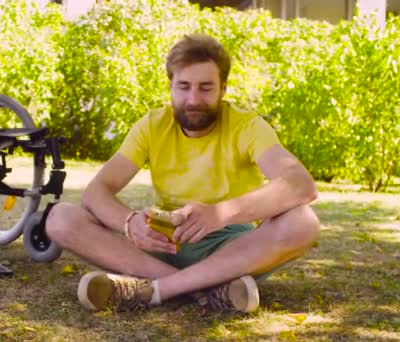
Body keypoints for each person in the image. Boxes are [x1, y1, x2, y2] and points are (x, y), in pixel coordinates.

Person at [45, 33, 320, 313]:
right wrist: (129, 222)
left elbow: (300, 184)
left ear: (223, 89)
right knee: (60, 217)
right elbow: (96, 191)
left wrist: (219, 213)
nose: (193, 99)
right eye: (184, 86)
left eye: (205, 87)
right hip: (163, 243)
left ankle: (154, 290)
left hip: (231, 248)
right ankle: (211, 290)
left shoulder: (248, 126)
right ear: (171, 86)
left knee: (303, 221)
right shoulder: (152, 125)